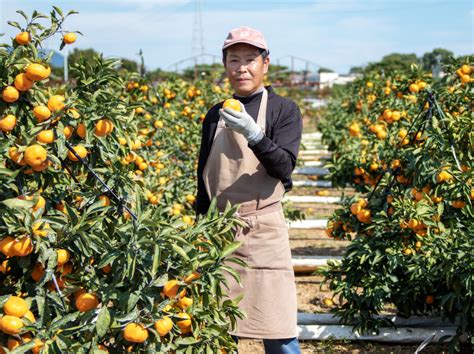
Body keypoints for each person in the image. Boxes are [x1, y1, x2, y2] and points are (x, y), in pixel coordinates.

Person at [196, 26, 302, 354]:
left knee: (279, 330)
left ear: (265, 64)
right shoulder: (215, 114)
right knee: (216, 329)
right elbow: (204, 176)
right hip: (219, 233)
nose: (241, 66)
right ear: (225, 65)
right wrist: (198, 228)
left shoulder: (283, 110)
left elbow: (284, 168)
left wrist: (254, 134)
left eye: (250, 59)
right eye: (233, 59)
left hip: (264, 229)